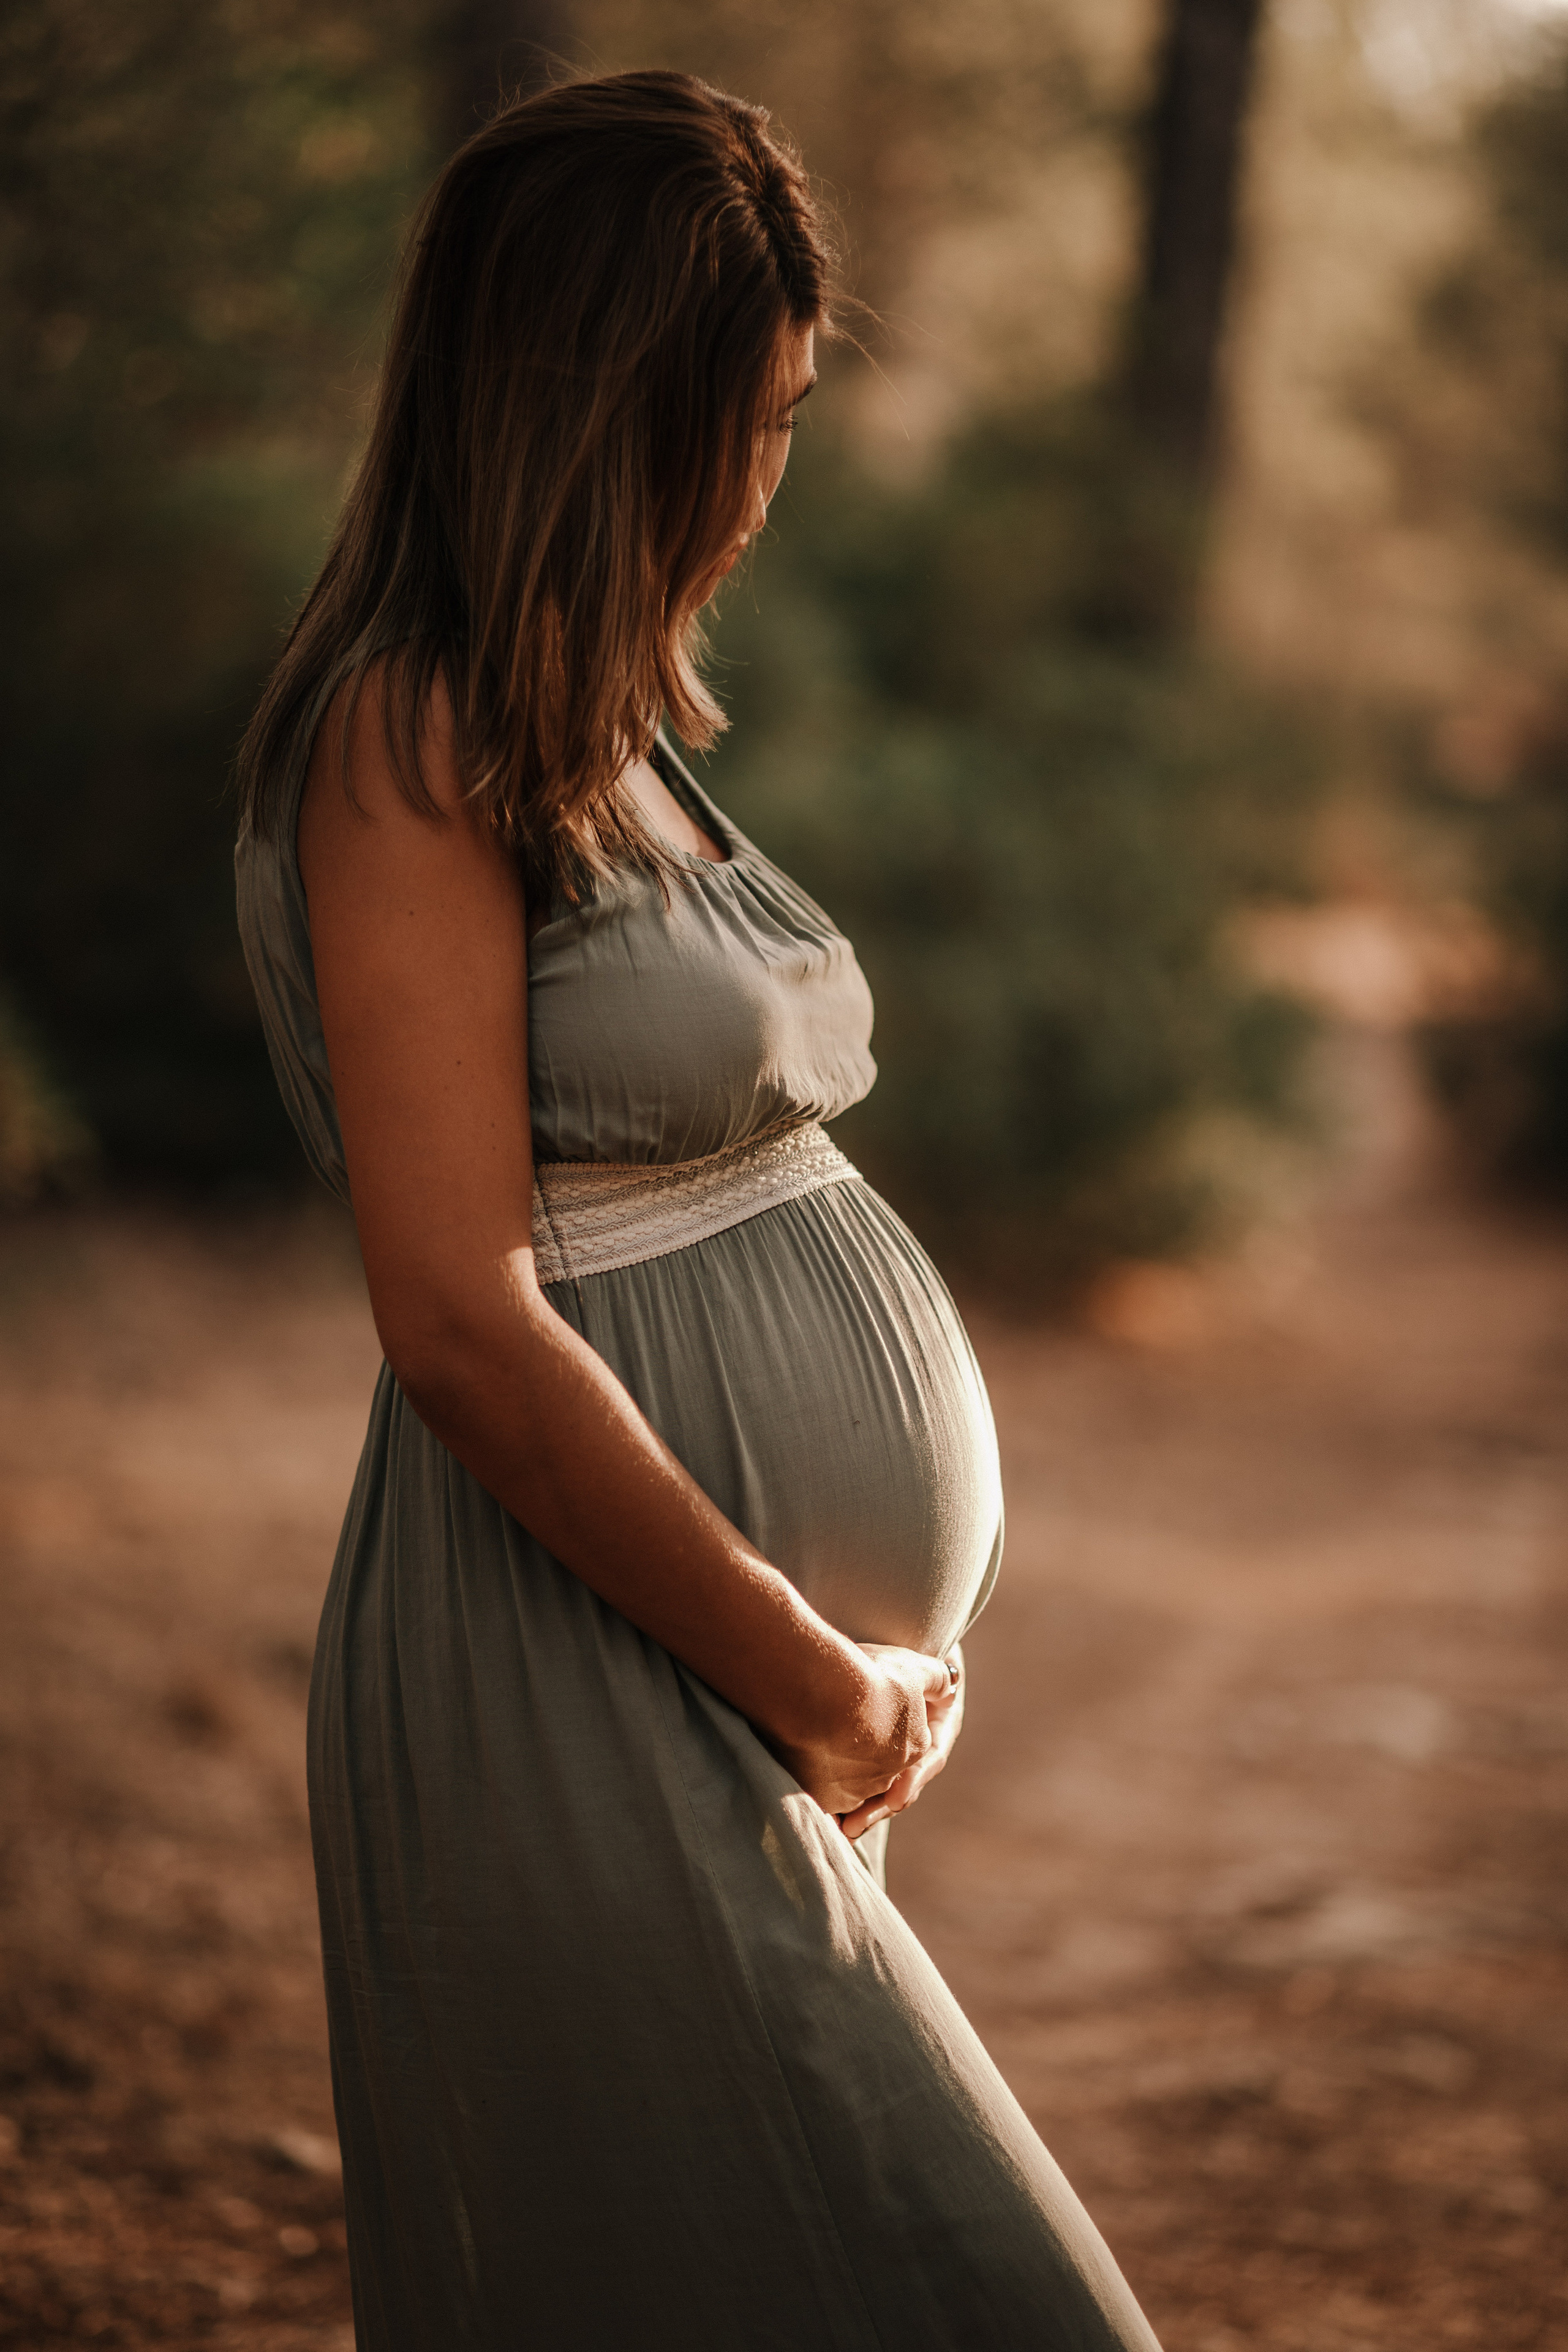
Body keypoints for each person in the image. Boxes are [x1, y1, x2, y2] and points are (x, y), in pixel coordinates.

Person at [235, 67, 1161, 2351]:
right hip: (588, 1675)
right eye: (735, 424)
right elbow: (457, 1321)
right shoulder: (407, 748)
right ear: (594, 413)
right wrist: (817, 1679)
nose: (763, 483)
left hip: (691, 1676)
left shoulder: (595, 729)